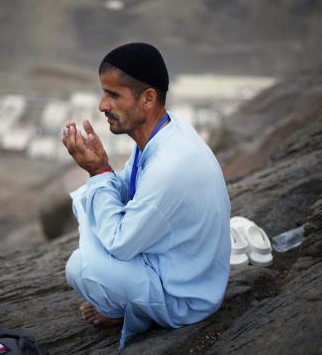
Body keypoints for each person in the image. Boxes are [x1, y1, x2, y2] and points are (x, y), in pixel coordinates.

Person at [61, 42, 231, 348]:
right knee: (91, 210)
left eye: (113, 95)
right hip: (179, 269)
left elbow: (120, 243)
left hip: (187, 296)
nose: (102, 106)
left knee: (81, 266)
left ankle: (133, 311)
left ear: (148, 98)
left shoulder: (170, 163)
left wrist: (99, 173)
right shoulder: (165, 134)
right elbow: (128, 191)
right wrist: (102, 168)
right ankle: (131, 305)